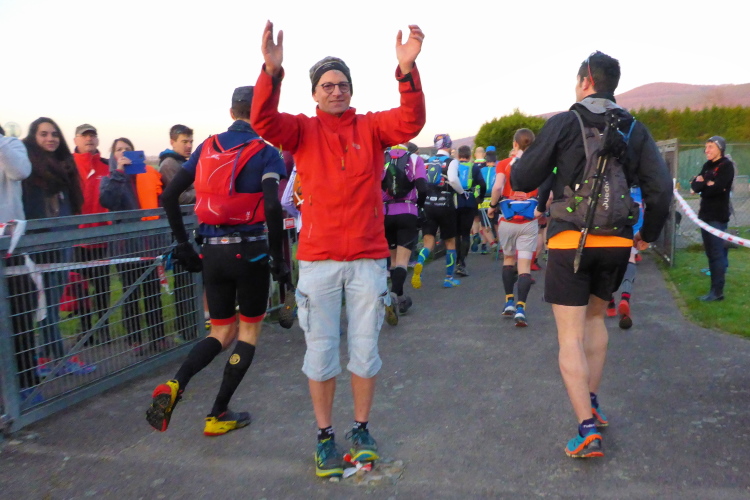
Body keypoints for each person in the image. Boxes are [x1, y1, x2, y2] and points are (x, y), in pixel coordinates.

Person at [251, 21, 426, 478]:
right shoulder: (301, 130)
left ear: (351, 89)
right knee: (322, 353)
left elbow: (411, 121)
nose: (336, 91)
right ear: (314, 93)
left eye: (342, 84)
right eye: (327, 85)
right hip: (318, 262)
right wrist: (271, 72)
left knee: (365, 352)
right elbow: (263, 121)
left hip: (367, 259)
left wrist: (407, 70)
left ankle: (362, 430)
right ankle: (325, 436)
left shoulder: (371, 127)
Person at [510, 51, 672, 458]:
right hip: (616, 242)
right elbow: (661, 189)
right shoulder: (634, 128)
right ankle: (593, 403)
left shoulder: (566, 122)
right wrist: (646, 236)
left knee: (569, 336)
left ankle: (585, 429)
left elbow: (523, 177)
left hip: (571, 242)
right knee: (597, 320)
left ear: (585, 81)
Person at [146, 85, 288, 437]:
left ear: (231, 113)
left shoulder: (207, 146)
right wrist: (277, 255)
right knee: (248, 332)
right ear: (261, 114)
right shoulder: (265, 152)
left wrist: (183, 245)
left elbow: (169, 195)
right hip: (250, 250)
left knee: (220, 331)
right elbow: (272, 205)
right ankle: (217, 413)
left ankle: (176, 384)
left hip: (212, 251)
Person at [22, 118, 95, 376]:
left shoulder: (65, 166)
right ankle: (59, 358)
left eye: (54, 134)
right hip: (40, 245)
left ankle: (44, 356)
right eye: (43, 134)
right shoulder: (28, 167)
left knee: (50, 305)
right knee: (44, 305)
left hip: (64, 241)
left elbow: (72, 205)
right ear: (33, 136)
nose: (50, 138)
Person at [99, 137, 166, 355]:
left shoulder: (145, 175)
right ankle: (134, 339)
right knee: (130, 294)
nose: (124, 153)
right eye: (119, 150)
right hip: (125, 248)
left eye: (127, 149)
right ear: (113, 155)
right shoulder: (110, 179)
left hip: (148, 245)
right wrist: (119, 172)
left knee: (153, 293)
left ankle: (158, 337)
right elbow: (107, 200)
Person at [1, 124, 41, 401]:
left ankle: (26, 380)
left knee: (21, 315)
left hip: (9, 247)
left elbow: (20, 171)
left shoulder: (11, 145)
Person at [488, 129, 538, 327]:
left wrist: (492, 206)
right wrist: (541, 211)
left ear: (515, 144)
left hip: (507, 218)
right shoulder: (538, 164)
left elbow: (497, 187)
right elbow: (549, 194)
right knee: (524, 266)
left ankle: (508, 301)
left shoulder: (504, 163)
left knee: (508, 259)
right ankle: (521, 308)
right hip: (528, 219)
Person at [158, 124, 199, 340]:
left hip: (190, 225)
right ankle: (186, 332)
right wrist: (203, 190)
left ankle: (193, 327)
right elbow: (180, 196)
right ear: (172, 142)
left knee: (193, 280)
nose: (189, 145)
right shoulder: (169, 164)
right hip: (180, 228)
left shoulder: (183, 162)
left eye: (191, 141)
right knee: (184, 280)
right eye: (184, 141)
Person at [72, 123, 112, 345]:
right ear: (76, 140)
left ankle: (104, 329)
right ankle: (86, 331)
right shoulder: (68, 165)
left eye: (92, 136)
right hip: (76, 240)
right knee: (80, 289)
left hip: (101, 239)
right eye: (84, 136)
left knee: (103, 288)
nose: (89, 139)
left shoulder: (106, 166)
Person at [412, 134, 463, 289]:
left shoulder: (427, 161)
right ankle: (449, 278)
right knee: (450, 242)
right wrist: (462, 192)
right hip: (446, 205)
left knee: (428, 242)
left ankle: (419, 264)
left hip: (428, 204)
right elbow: (453, 180)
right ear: (448, 145)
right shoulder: (451, 161)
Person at [382, 143, 428, 316]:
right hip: (407, 211)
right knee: (402, 261)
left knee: (393, 262)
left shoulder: (381, 158)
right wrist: (420, 206)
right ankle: (393, 296)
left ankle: (401, 299)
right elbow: (422, 187)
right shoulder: (414, 159)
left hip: (385, 213)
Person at [690, 136, 734, 301]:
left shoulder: (726, 166)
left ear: (719, 149)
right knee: (710, 253)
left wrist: (705, 183)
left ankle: (717, 292)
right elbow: (694, 186)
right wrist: (706, 183)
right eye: (706, 147)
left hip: (717, 217)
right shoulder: (707, 165)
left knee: (717, 253)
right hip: (705, 215)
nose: (706, 150)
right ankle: (713, 290)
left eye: (710, 147)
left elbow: (717, 189)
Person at [454, 145, 486, 277]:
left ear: (458, 155)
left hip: (455, 201)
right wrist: (480, 197)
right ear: (470, 155)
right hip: (470, 202)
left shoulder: (454, 166)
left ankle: (456, 261)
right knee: (466, 234)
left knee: (456, 234)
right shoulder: (474, 167)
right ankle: (462, 263)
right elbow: (482, 184)